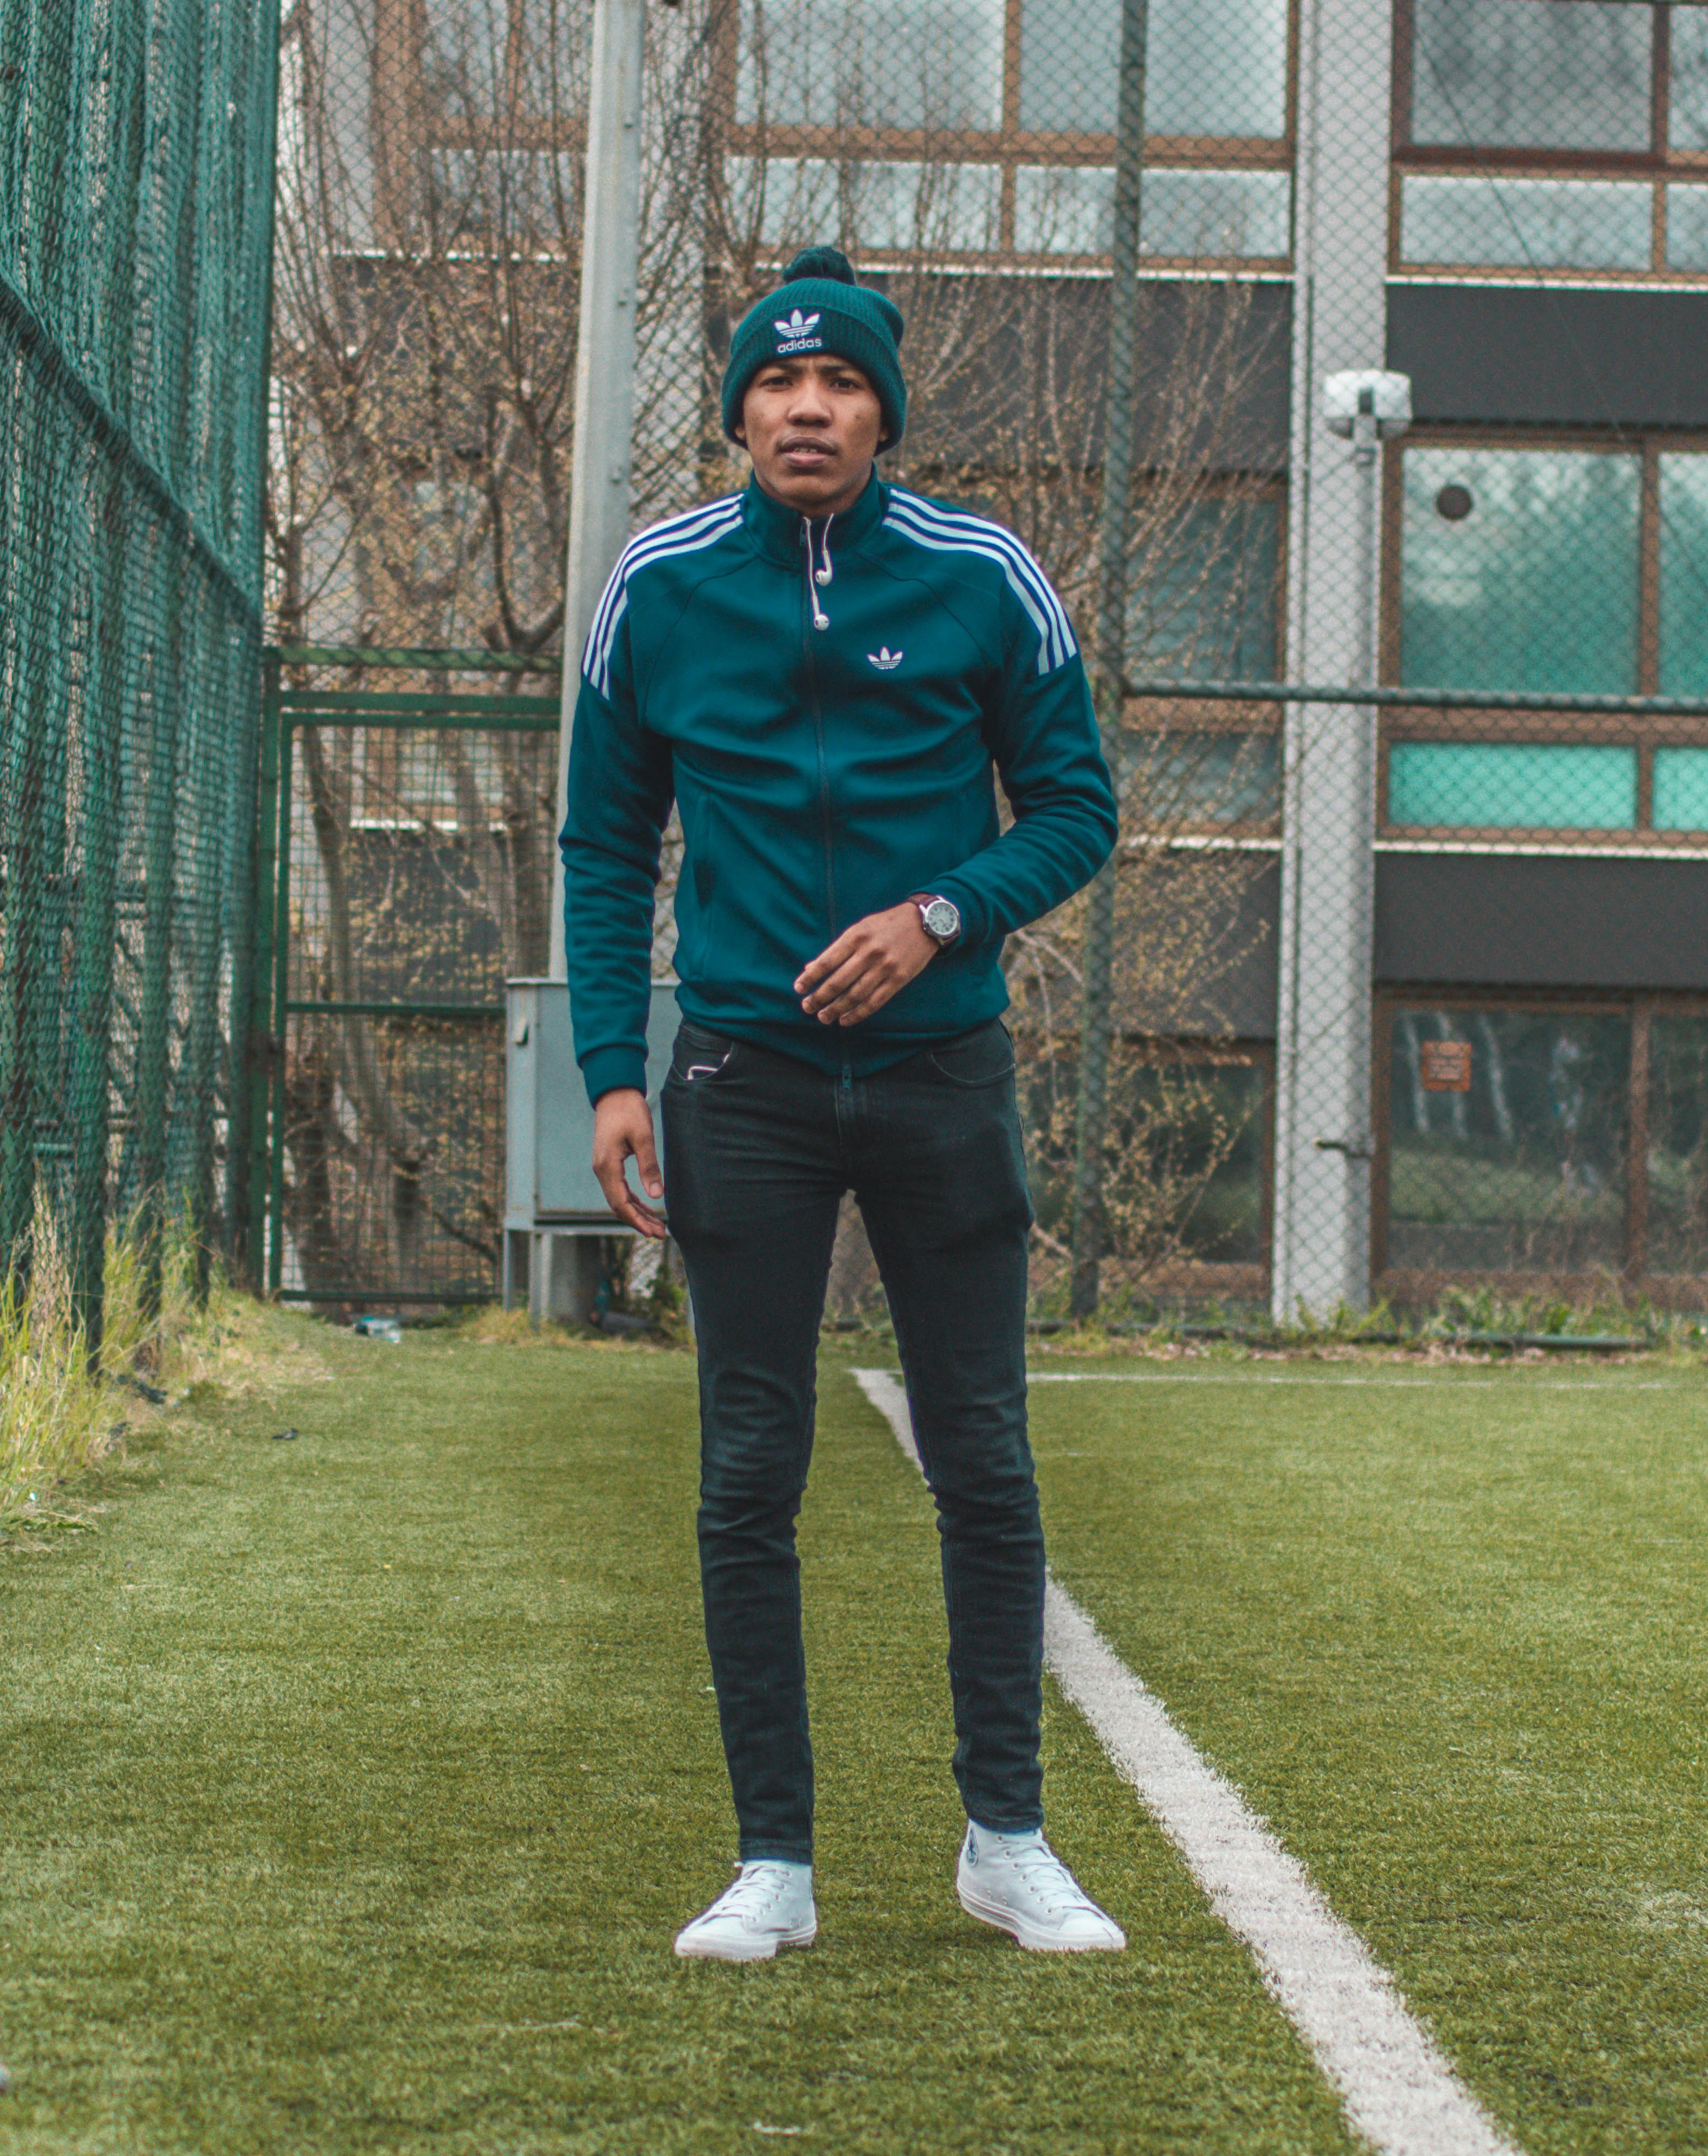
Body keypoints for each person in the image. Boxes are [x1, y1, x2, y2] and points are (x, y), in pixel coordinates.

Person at [560, 246, 1122, 1961]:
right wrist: (608, 1071)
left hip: (943, 1072)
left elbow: (1076, 805)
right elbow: (603, 844)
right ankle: (773, 1862)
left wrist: (939, 910)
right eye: (778, 386)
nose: (809, 409)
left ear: (882, 410)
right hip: (742, 1080)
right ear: (737, 411)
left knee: (984, 1456)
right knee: (750, 1465)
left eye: (843, 385)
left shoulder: (979, 573)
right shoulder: (657, 586)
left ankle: (1006, 1838)